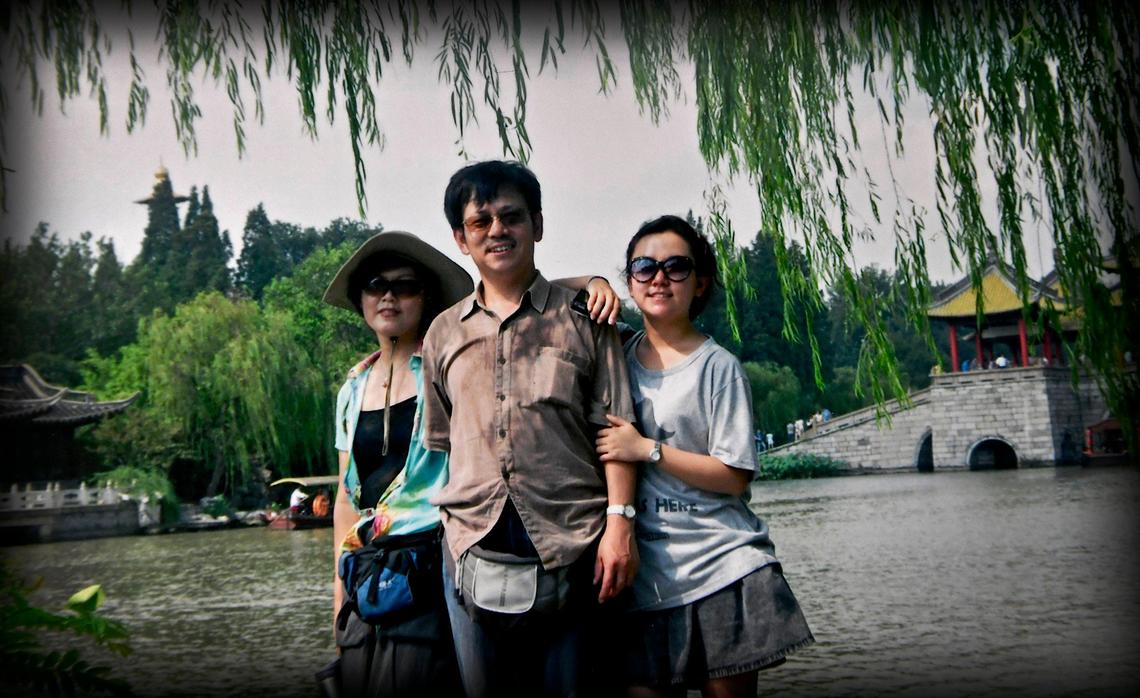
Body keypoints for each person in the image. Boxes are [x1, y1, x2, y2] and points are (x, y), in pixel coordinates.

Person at [324, 229, 624, 695]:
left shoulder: (453, 358)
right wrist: (340, 603)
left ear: (426, 298)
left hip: (437, 560)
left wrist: (590, 280)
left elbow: (514, 303)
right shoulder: (352, 389)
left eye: (404, 286)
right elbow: (347, 499)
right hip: (371, 576)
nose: (388, 296)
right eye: (375, 285)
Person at [421, 160, 639, 697]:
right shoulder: (443, 333)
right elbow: (444, 439)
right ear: (461, 238)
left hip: (576, 546)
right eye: (481, 222)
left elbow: (617, 432)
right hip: (471, 546)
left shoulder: (586, 318)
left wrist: (620, 525)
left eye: (511, 217)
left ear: (537, 225)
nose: (498, 230)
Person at [596, 214, 813, 698]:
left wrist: (646, 449)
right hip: (644, 579)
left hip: (721, 568)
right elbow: (541, 290)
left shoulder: (718, 367)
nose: (658, 278)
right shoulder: (615, 357)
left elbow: (734, 476)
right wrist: (592, 282)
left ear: (699, 283)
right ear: (628, 281)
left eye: (676, 267)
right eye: (644, 266)